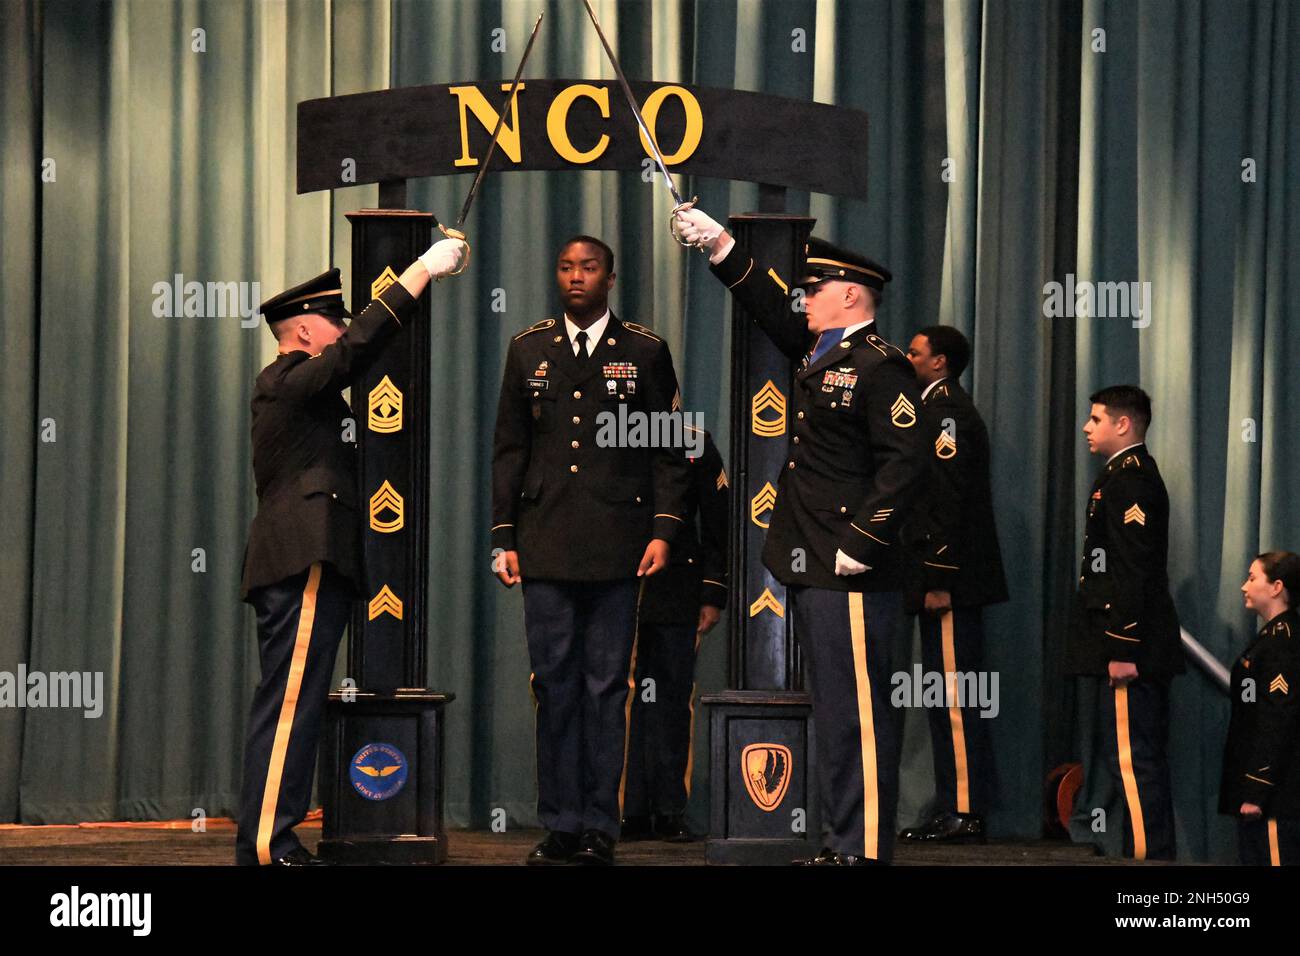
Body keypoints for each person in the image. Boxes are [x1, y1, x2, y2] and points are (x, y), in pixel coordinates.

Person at [672, 207, 925, 865]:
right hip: (816, 562)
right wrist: (721, 246)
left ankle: (864, 849)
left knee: (861, 716)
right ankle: (845, 842)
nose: (804, 299)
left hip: (852, 569)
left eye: (815, 290)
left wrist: (862, 543)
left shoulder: (880, 366)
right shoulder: (825, 353)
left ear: (850, 296)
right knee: (837, 713)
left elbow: (906, 463)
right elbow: (769, 312)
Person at [236, 238, 468, 866]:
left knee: (296, 703)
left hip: (310, 560)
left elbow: (356, 350)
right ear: (306, 330)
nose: (339, 332)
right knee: (288, 705)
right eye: (331, 324)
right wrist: (421, 270)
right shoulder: (286, 380)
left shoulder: (299, 389)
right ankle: (266, 843)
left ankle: (273, 836)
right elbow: (355, 349)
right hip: (301, 557)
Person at [491, 235, 691, 865]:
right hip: (545, 541)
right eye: (566, 267)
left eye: (589, 268)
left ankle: (603, 823)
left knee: (607, 687)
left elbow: (669, 447)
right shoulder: (528, 348)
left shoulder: (644, 350)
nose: (575, 277)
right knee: (554, 685)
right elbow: (508, 448)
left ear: (611, 277)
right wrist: (503, 536)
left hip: (620, 545)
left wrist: (663, 530)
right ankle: (560, 822)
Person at [898, 326, 1008, 843]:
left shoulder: (946, 414)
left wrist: (938, 577)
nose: (908, 356)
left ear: (939, 362)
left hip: (950, 581)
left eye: (916, 352)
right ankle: (953, 805)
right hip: (940, 577)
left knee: (956, 696)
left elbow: (946, 496)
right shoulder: (932, 407)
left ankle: (964, 810)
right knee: (944, 694)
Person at [1066, 384, 1183, 861]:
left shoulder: (1130, 480)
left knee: (1133, 761)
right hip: (1124, 639)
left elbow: (1132, 567)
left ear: (1123, 424)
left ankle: (1149, 859)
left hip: (1129, 644)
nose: (1087, 428)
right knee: (1131, 758)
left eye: (1096, 419)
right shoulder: (1118, 475)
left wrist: (1122, 646)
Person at [622, 427, 729, 843]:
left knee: (672, 700)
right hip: (616, 585)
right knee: (618, 699)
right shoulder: (606, 433)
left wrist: (712, 591)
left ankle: (669, 809)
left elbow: (716, 520)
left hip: (677, 589)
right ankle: (621, 809)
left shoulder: (693, 441)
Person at [1221, 551, 1300, 865]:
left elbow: (1276, 719)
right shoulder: (1271, 638)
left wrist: (1257, 788)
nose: (1244, 586)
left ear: (1277, 587)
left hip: (1276, 798)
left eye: (1253, 578)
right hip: (1269, 793)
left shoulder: (1282, 642)